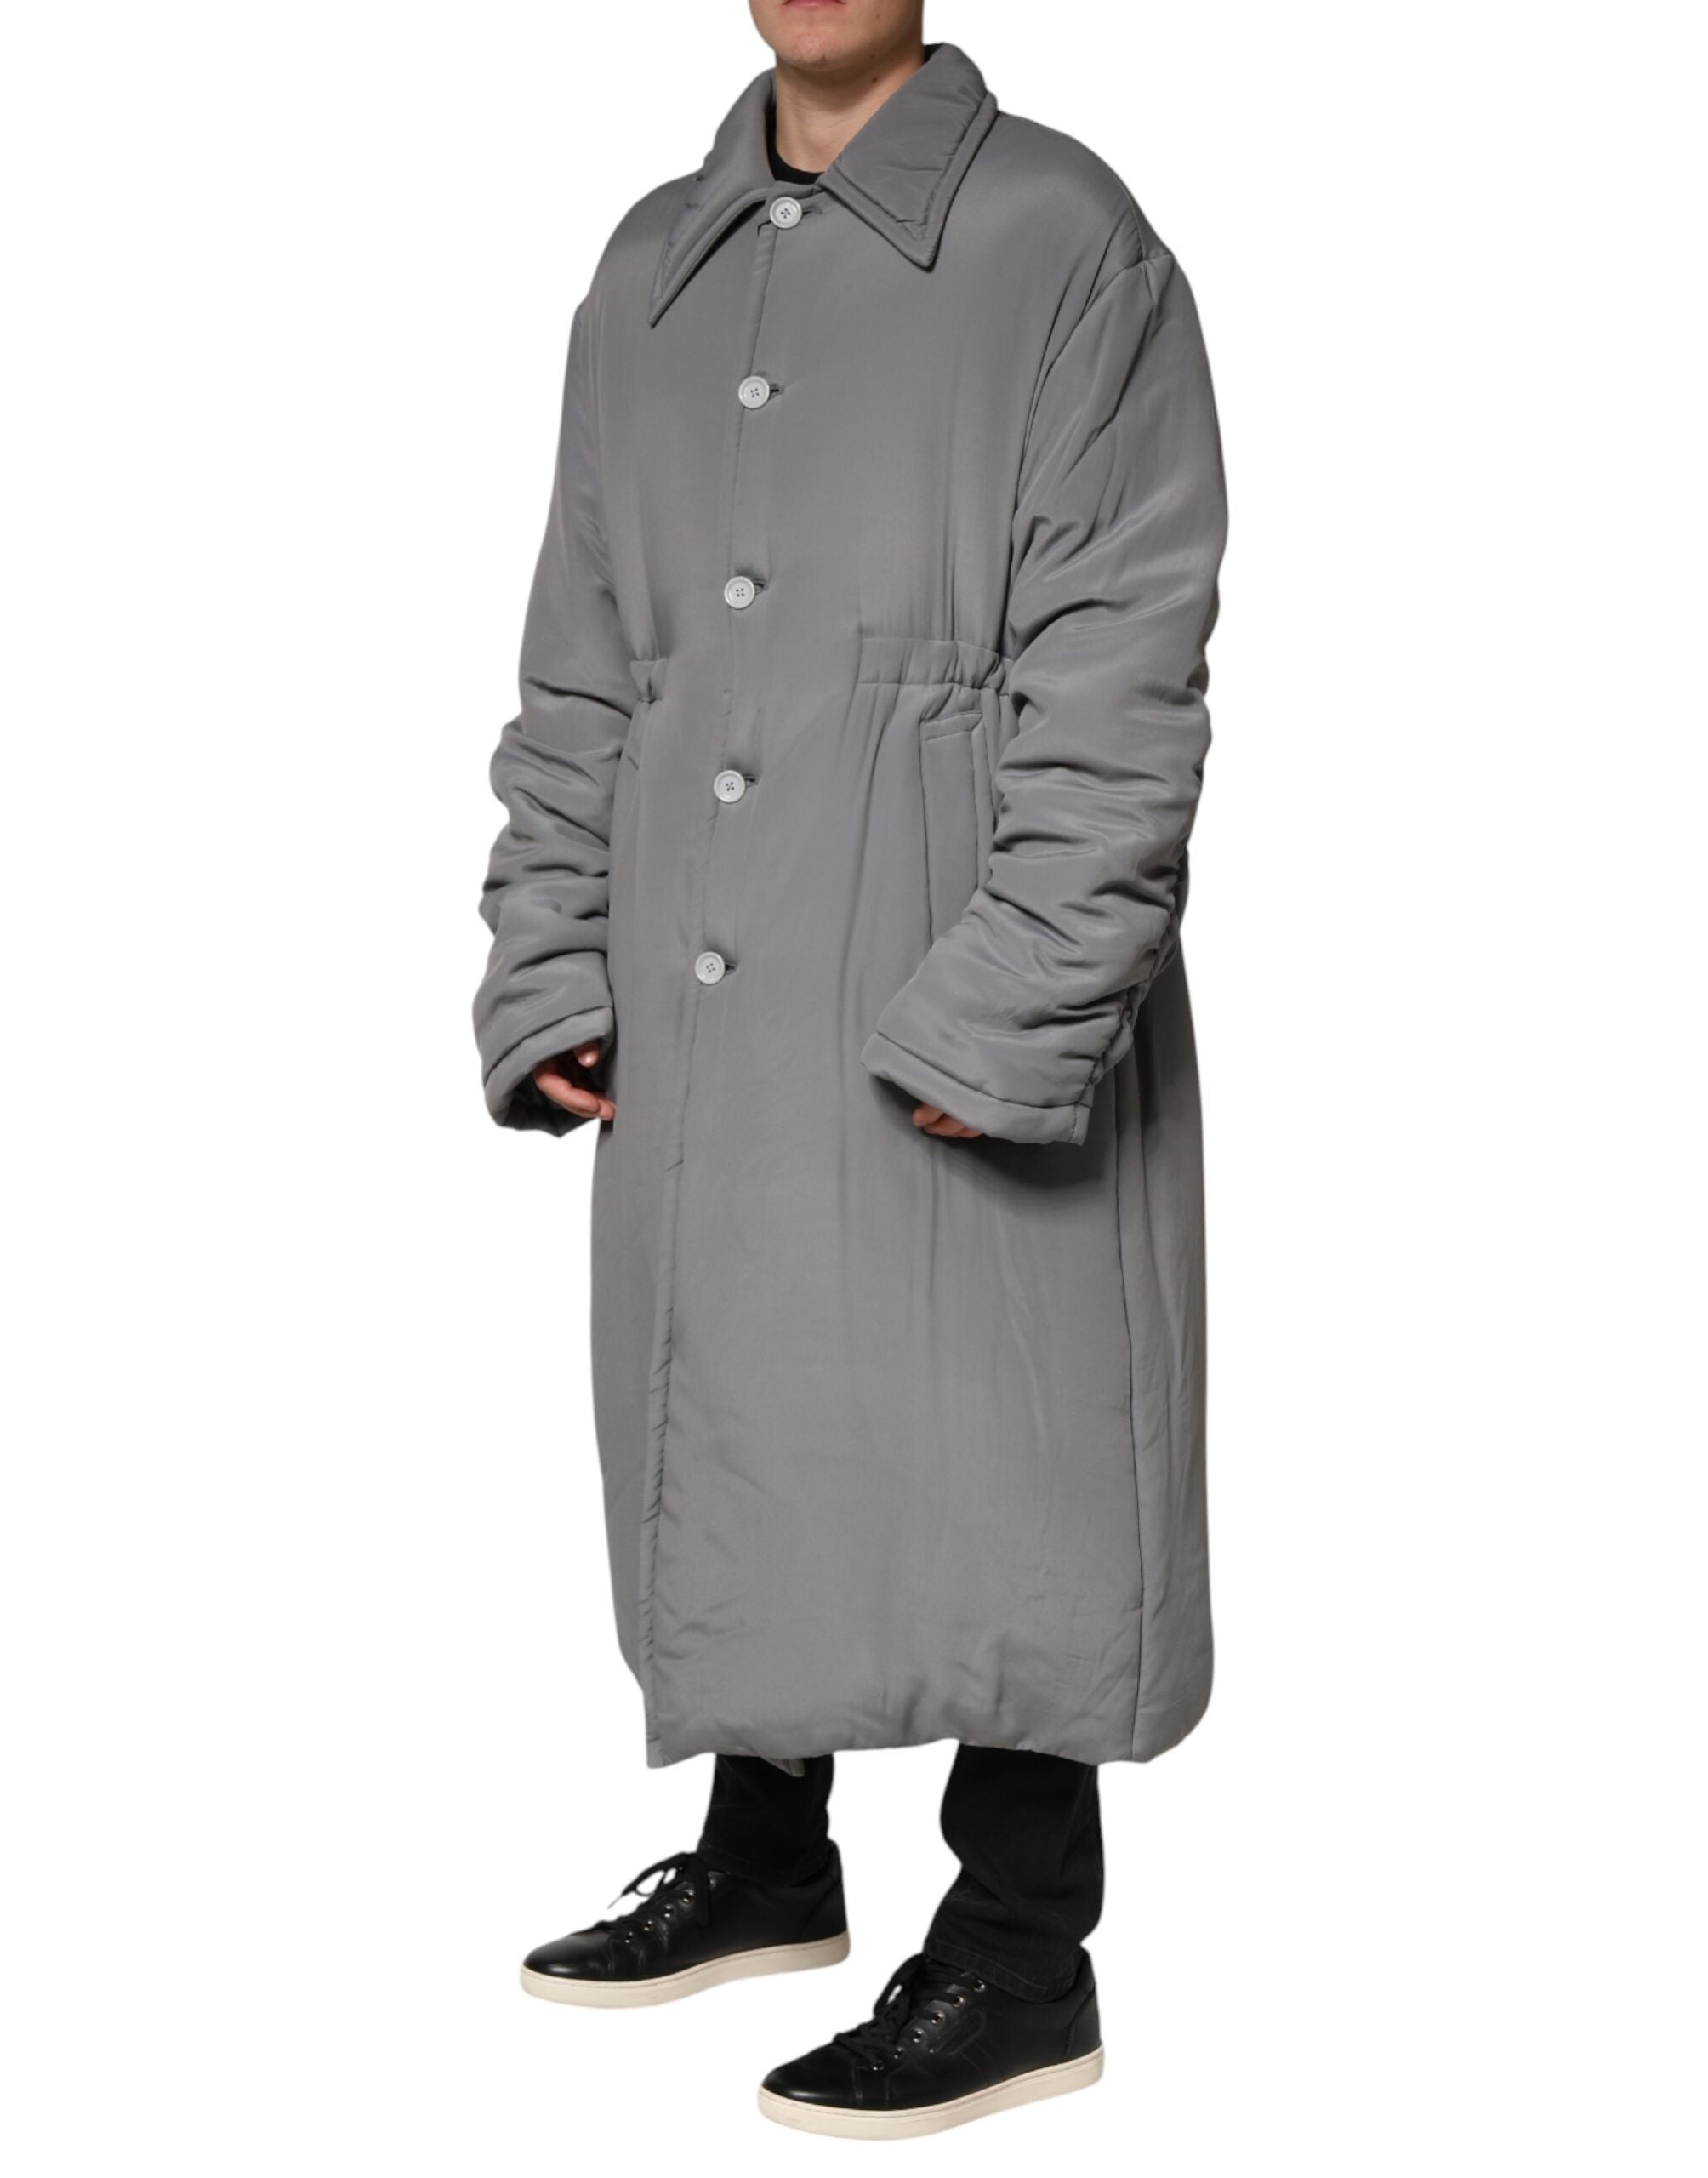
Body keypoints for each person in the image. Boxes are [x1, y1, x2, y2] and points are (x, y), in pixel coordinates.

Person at [472, 0, 1226, 2138]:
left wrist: (1017, 999)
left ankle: (1018, 1947)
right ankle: (765, 1852)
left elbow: (1119, 667)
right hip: (699, 963)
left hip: (936, 931)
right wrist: (548, 956)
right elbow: (583, 663)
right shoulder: (649, 264)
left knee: (1011, 1443)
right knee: (740, 1388)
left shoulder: (1062, 235)